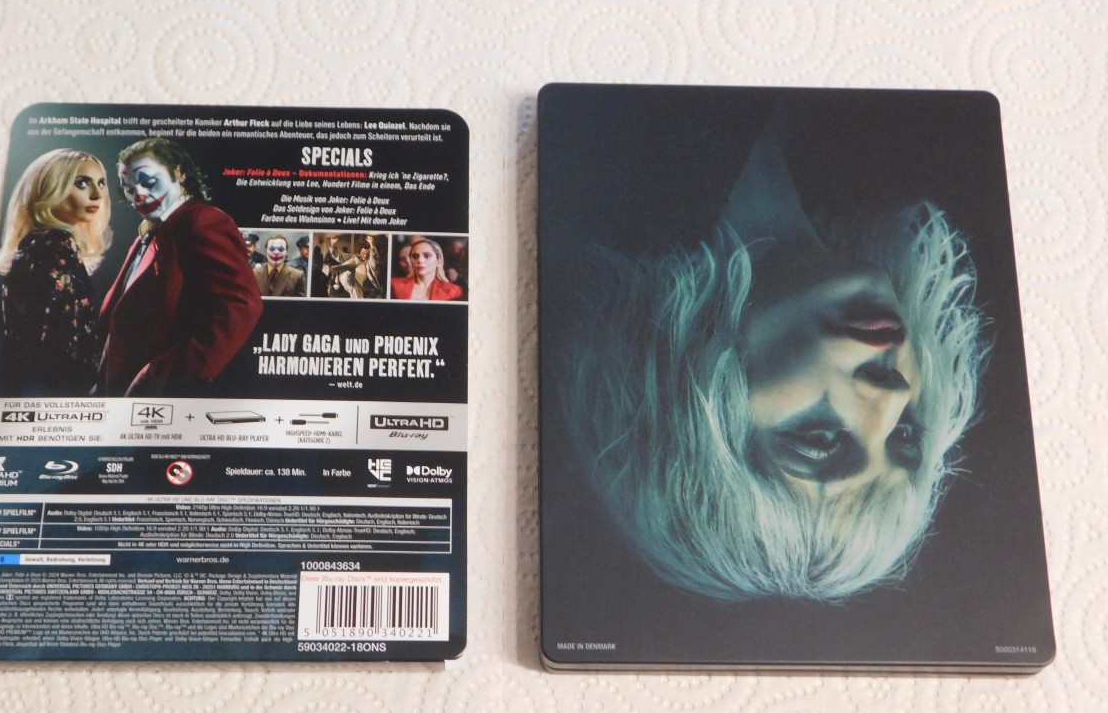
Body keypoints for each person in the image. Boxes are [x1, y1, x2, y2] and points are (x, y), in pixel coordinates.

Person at [564, 135, 988, 602]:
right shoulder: (877, 151)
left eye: (820, 439)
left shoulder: (630, 148)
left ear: (681, 419)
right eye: (905, 436)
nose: (892, 395)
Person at [98, 137, 263, 396]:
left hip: (162, 398)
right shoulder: (149, 235)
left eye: (148, 181)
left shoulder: (201, 221)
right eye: (127, 188)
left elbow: (240, 306)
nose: (138, 195)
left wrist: (165, 376)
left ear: (180, 173)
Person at [0, 148, 112, 394]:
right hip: (48, 389)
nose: (97, 194)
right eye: (82, 183)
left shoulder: (43, 243)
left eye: (101, 183)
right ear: (51, 188)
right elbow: (40, 340)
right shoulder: (54, 246)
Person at [390, 235, 463, 301]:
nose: (420, 260)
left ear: (438, 261)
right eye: (415, 256)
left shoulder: (453, 291)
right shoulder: (394, 284)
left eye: (427, 256)